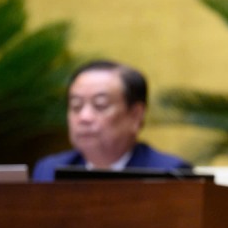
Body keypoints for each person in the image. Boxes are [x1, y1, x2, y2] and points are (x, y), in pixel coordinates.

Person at [32, 60, 190, 181]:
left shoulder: (170, 173)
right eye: (76, 106)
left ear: (136, 115)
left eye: (100, 106)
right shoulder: (48, 170)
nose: (84, 117)